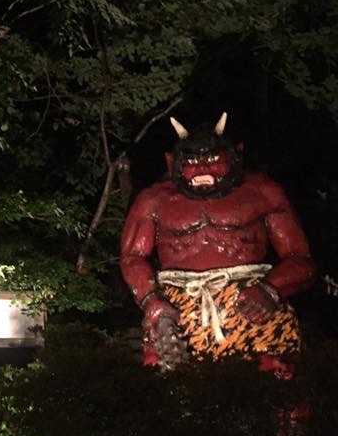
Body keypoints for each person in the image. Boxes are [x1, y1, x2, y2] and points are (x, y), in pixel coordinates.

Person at [120, 112, 316, 371]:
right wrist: (152, 302)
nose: (202, 169)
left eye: (213, 160)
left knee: (277, 386)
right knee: (176, 390)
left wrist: (270, 289)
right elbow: (132, 258)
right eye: (192, 161)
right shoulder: (154, 200)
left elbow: (302, 262)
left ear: (235, 156)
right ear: (172, 162)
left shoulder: (262, 192)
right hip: (178, 316)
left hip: (254, 309)